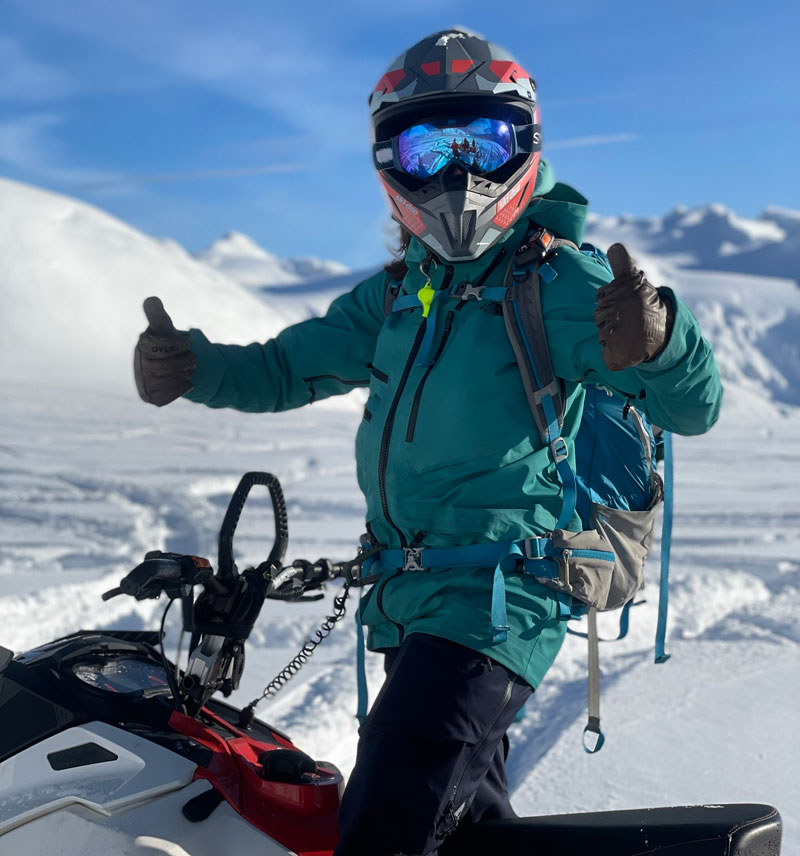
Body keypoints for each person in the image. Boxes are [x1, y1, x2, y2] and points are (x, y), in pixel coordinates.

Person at [134, 28, 721, 856]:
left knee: (388, 822)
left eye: (482, 141)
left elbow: (694, 408)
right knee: (463, 831)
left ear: (523, 145)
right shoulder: (401, 294)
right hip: (411, 603)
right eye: (427, 144)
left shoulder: (560, 283)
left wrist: (661, 343)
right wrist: (192, 366)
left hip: (498, 607)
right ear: (390, 163)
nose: (458, 172)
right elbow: (284, 369)